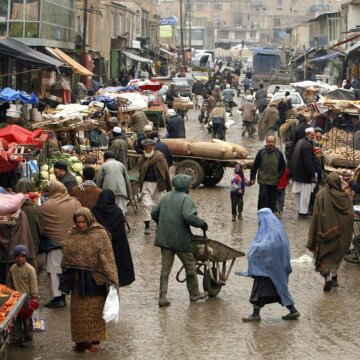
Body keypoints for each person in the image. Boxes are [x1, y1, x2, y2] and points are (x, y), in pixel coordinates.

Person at [60, 207, 119, 353]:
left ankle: (95, 341)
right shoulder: (72, 234)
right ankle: (80, 342)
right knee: (78, 314)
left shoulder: (100, 234)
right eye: (78, 222)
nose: (80, 225)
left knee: (94, 312)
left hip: (95, 280)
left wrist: (111, 279)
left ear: (89, 220)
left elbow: (107, 257)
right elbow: (67, 255)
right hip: (77, 280)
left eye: (83, 222)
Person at [151, 174, 208, 306]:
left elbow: (154, 214)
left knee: (165, 269)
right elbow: (189, 216)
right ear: (185, 186)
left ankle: (162, 297)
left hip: (165, 239)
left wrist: (163, 224)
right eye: (189, 185)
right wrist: (202, 224)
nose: (190, 187)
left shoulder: (166, 196)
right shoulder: (186, 198)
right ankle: (194, 294)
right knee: (190, 266)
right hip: (181, 240)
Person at [238, 208, 300, 322]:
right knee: (280, 290)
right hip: (276, 270)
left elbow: (264, 247)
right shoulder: (278, 231)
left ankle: (255, 314)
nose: (259, 222)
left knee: (258, 293)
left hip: (266, 271)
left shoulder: (269, 234)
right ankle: (293, 310)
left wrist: (254, 250)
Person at [307, 172, 354, 291]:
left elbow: (316, 214)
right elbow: (350, 215)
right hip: (342, 234)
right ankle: (334, 278)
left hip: (325, 232)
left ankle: (327, 277)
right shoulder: (345, 196)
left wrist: (315, 231)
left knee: (325, 255)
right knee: (337, 255)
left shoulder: (321, 195)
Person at [40, 181, 81, 308]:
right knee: (67, 269)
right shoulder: (75, 202)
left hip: (54, 244)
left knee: (53, 271)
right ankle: (66, 293)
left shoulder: (46, 205)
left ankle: (58, 297)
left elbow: (42, 224)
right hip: (72, 243)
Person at [92, 190, 135, 287]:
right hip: (117, 246)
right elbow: (121, 232)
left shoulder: (94, 211)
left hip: (99, 246)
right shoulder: (117, 212)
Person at [138, 139, 172, 234]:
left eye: (150, 148)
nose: (148, 150)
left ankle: (158, 224)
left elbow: (165, 173)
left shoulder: (160, 158)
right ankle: (147, 226)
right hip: (146, 184)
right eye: (146, 149)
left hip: (159, 185)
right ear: (144, 149)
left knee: (159, 205)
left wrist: (168, 185)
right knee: (146, 205)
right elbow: (140, 173)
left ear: (153, 148)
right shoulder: (141, 159)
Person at [8, 245, 38, 346]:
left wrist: (34, 299)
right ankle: (17, 338)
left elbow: (33, 285)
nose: (20, 258)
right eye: (18, 256)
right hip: (16, 298)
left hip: (27, 299)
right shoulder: (12, 268)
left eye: (22, 256)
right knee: (16, 320)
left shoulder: (30, 269)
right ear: (15, 257)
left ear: (26, 257)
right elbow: (9, 284)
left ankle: (29, 339)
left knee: (27, 320)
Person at [250, 135, 286, 212]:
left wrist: (278, 177)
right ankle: (261, 215)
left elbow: (283, 167)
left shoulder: (278, 154)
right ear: (266, 142)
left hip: (274, 182)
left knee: (272, 201)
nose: (270, 143)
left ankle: (270, 216)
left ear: (275, 142)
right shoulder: (261, 153)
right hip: (263, 181)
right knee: (262, 199)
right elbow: (255, 166)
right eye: (269, 142)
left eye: (272, 142)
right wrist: (252, 178)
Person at [289, 127, 316, 219]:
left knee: (298, 193)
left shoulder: (300, 142)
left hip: (297, 173)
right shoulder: (307, 145)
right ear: (308, 134)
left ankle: (299, 210)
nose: (313, 136)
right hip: (304, 175)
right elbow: (308, 162)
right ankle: (303, 213)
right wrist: (312, 174)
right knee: (305, 195)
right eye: (312, 134)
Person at [96, 151, 131, 215]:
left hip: (109, 193)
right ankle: (121, 223)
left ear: (105, 158)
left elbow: (99, 181)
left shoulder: (104, 165)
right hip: (121, 192)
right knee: (121, 212)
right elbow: (127, 181)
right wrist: (130, 195)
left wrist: (98, 194)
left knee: (110, 213)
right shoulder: (121, 164)